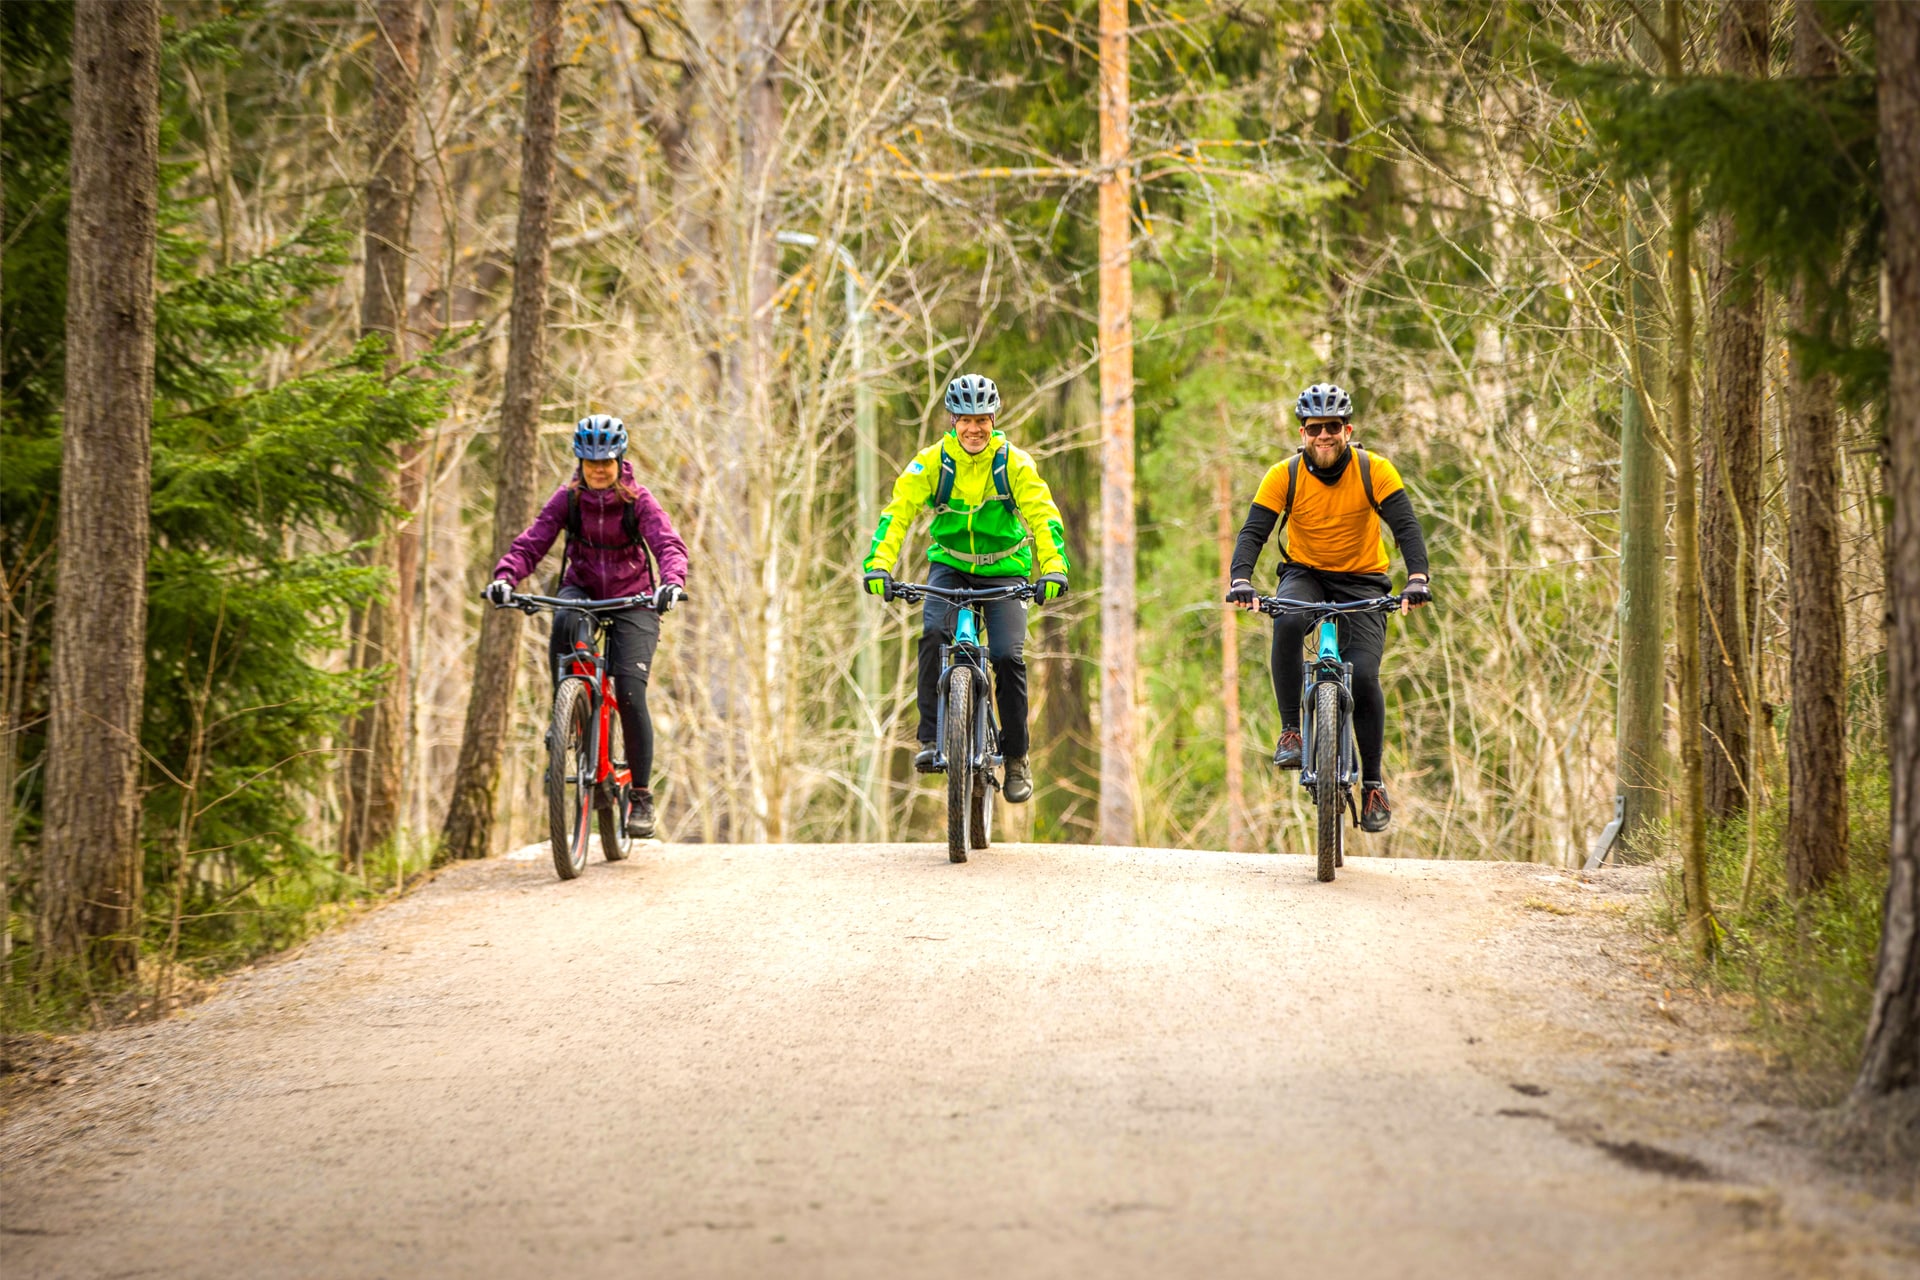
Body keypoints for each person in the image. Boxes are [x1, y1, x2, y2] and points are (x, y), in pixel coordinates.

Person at [1226, 383, 1431, 833]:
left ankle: (1373, 783)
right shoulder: (1284, 475)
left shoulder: (1374, 470)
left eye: (1333, 427)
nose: (1324, 435)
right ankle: (1291, 731)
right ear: (1303, 432)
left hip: (1363, 580)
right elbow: (1253, 533)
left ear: (1347, 429)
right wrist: (1240, 579)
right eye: (1315, 428)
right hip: (1307, 573)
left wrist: (1417, 578)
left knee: (1365, 674)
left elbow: (1407, 527)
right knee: (1289, 617)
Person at [861, 374, 1070, 804]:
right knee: (933, 634)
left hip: (1005, 569)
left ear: (994, 419)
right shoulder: (932, 462)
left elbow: (1043, 516)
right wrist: (880, 564)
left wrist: (1052, 568)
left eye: (982, 419)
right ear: (952, 421)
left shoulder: (1013, 464)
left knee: (1008, 657)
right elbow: (896, 513)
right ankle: (931, 737)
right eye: (965, 420)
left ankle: (1016, 757)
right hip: (950, 566)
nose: (974, 429)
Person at [485, 414, 689, 838]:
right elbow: (533, 542)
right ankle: (564, 720)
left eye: (606, 462)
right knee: (563, 621)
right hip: (582, 590)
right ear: (579, 462)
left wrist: (671, 583)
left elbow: (667, 544)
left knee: (631, 692)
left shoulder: (639, 502)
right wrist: (505, 577)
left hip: (634, 598)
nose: (598, 470)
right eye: (590, 462)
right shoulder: (569, 500)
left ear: (620, 461)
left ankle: (640, 796)